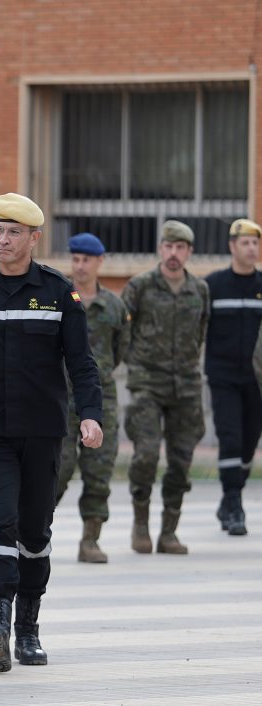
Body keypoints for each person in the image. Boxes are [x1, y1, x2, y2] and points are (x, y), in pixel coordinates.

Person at [0, 193, 102, 673]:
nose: (3, 240)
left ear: (33, 237)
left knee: (34, 532)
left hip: (43, 431)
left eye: (12, 232)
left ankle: (28, 626)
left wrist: (91, 415)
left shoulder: (57, 292)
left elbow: (82, 364)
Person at [122, 220, 209, 555]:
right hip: (147, 382)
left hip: (186, 386)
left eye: (181, 248)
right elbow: (123, 330)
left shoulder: (199, 290)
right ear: (161, 249)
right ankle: (140, 523)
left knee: (181, 460)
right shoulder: (140, 286)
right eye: (168, 247)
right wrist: (135, 364)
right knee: (145, 453)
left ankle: (169, 531)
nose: (174, 254)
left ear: (189, 252)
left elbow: (202, 330)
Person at [55, 233, 129, 563]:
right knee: (56, 469)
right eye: (76, 259)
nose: (80, 266)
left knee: (99, 470)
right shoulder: (58, 297)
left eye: (87, 259)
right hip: (59, 394)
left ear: (100, 262)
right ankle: (32, 531)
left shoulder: (114, 306)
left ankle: (91, 539)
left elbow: (120, 350)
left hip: (102, 400)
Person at [204, 218, 262, 537]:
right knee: (230, 439)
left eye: (255, 243)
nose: (251, 248)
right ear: (232, 247)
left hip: (256, 381)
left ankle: (228, 500)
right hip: (223, 377)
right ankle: (234, 502)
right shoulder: (214, 285)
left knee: (249, 445)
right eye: (245, 243)